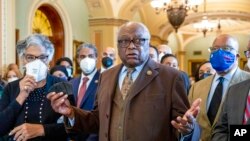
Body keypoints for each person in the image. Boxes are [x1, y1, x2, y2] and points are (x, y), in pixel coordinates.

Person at [48, 21, 201, 141]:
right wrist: (71, 113)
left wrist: (188, 129)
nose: (131, 46)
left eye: (139, 40)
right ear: (118, 45)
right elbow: (98, 119)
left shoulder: (171, 77)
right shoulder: (106, 76)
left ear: (148, 43)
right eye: (124, 41)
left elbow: (183, 123)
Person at [0, 34, 67, 141]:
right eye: (30, 57)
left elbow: (72, 127)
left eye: (42, 57)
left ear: (49, 60)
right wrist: (21, 96)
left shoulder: (61, 86)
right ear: (23, 60)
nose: (36, 62)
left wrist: (42, 130)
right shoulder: (11, 88)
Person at [188, 34, 250, 141]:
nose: (219, 53)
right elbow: (190, 124)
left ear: (237, 56)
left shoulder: (247, 82)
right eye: (215, 49)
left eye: (226, 48)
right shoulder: (196, 87)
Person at [69, 43, 100, 141]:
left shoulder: (105, 81)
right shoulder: (71, 83)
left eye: (90, 56)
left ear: (96, 58)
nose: (87, 60)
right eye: (82, 56)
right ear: (78, 60)